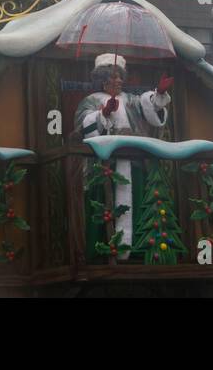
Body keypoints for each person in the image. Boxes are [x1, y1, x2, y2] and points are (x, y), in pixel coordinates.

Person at [74, 53, 173, 253]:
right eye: (114, 76)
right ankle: (101, 251)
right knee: (103, 207)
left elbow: (149, 109)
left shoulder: (130, 100)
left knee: (137, 202)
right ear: (102, 79)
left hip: (134, 164)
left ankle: (137, 250)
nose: (119, 80)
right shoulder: (90, 101)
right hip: (104, 168)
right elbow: (82, 125)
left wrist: (158, 95)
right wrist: (104, 113)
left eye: (120, 76)